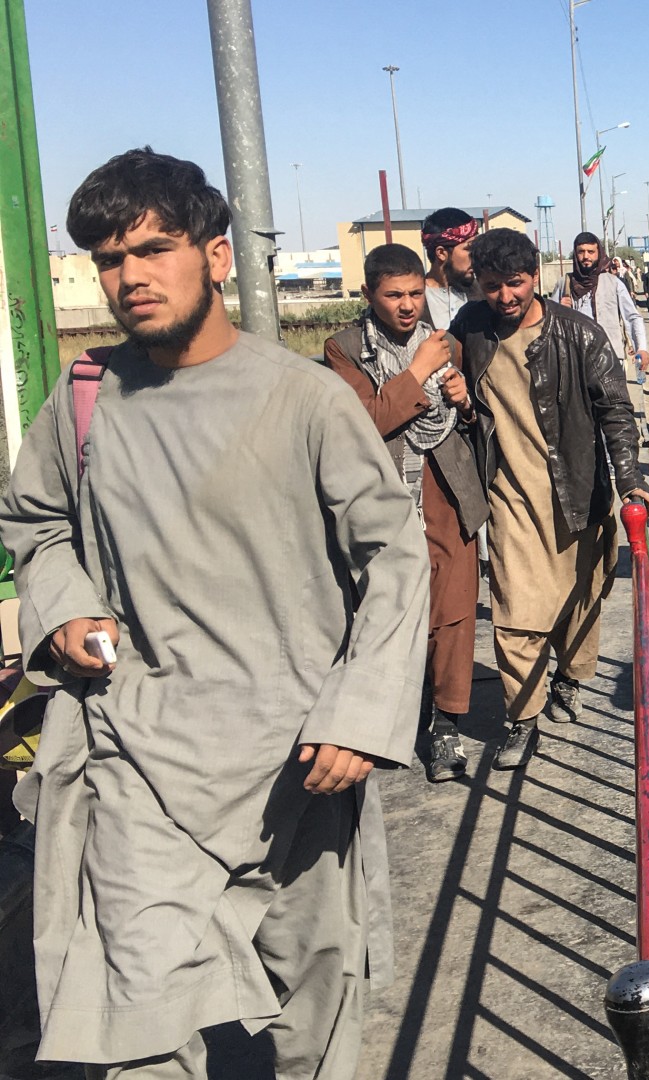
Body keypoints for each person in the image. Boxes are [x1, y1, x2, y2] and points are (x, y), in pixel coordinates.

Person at [0, 148, 428, 1077]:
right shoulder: (82, 404)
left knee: (313, 1004)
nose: (131, 278)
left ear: (218, 257)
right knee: (136, 1026)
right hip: (139, 757)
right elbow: (35, 524)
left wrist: (360, 715)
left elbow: (395, 558)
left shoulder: (305, 400)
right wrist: (67, 609)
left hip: (296, 765)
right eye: (111, 261)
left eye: (154, 249)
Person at [449, 229, 646, 770]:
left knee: (579, 602)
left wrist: (630, 479)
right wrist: (462, 403)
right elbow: (457, 396)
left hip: (576, 491)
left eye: (515, 283)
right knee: (515, 612)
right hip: (509, 498)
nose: (505, 296)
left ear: (535, 276)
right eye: (492, 286)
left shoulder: (579, 336)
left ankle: (570, 677)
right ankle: (522, 717)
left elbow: (615, 411)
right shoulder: (469, 328)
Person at [321, 244, 488, 783]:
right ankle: (393, 711)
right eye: (394, 296)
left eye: (416, 293)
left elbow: (471, 424)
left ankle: (446, 725)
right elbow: (362, 423)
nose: (408, 305)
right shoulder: (344, 350)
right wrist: (417, 373)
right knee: (388, 609)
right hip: (386, 499)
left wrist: (462, 401)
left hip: (446, 492)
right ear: (369, 294)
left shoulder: (446, 345)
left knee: (455, 610)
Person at [554, 231, 649, 382]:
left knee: (615, 404)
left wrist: (641, 348)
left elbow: (632, 317)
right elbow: (547, 324)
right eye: (581, 252)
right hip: (575, 361)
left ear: (599, 253)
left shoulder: (613, 283)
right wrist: (559, 310)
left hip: (610, 358)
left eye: (591, 252)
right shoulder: (564, 284)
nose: (586, 256)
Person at [421, 206, 481, 329]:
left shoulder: (484, 294)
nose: (476, 255)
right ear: (441, 253)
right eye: (469, 249)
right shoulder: (414, 299)